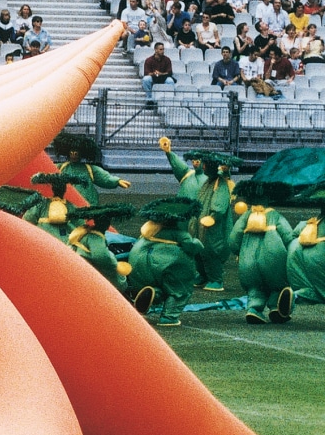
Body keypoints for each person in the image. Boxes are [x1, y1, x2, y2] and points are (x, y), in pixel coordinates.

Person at [161, 138, 241, 291]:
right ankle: (202, 274)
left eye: (203, 164)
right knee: (197, 250)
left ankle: (216, 279)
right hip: (197, 221)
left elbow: (220, 200)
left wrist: (214, 215)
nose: (200, 165)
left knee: (211, 251)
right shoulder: (207, 181)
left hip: (211, 226)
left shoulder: (219, 183)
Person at [126, 196, 207, 327]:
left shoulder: (149, 230)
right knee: (178, 289)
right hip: (166, 264)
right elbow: (192, 247)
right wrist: (198, 242)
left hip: (139, 263)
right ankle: (169, 316)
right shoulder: (179, 233)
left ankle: (154, 293)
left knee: (159, 285)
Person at [226, 183, 295, 324]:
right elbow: (288, 236)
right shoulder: (275, 216)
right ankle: (276, 307)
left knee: (255, 288)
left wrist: (237, 251)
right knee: (278, 285)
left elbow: (233, 239)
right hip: (273, 259)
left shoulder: (245, 216)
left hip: (248, 260)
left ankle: (254, 309)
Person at [49, 132, 129, 206]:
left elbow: (103, 177)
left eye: (76, 153)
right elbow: (47, 172)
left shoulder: (89, 169)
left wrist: (116, 181)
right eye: (72, 153)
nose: (74, 156)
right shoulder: (61, 167)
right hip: (67, 204)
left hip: (87, 204)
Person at [286, 191, 325, 303]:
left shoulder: (306, 224)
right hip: (318, 261)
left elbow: (289, 238)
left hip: (296, 265)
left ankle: (298, 295)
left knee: (309, 287)